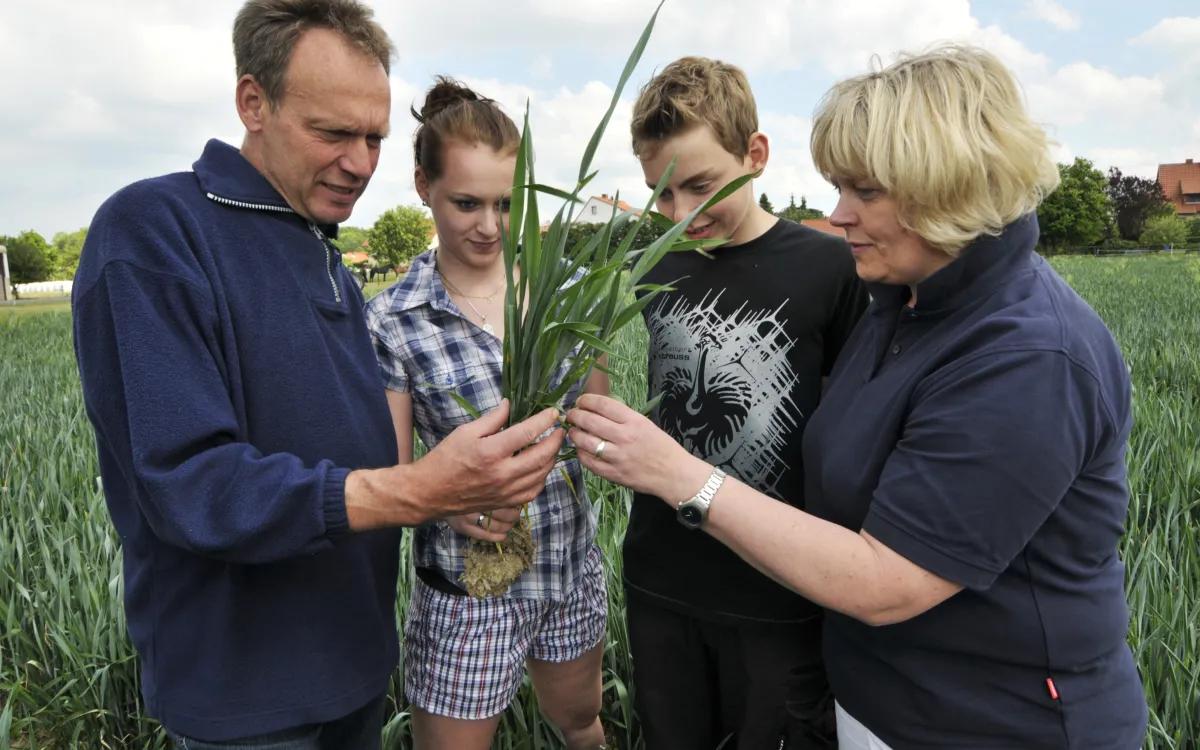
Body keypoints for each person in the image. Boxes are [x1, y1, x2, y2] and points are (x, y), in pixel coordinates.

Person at [567, 45, 1149, 748]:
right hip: (880, 701)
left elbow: (888, 581)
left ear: (952, 185)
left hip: (996, 722)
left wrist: (676, 472)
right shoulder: (903, 302)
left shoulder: (1029, 356)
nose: (836, 215)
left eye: (865, 191)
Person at [71, 2, 564, 747]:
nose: (361, 162)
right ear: (253, 102)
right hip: (249, 701)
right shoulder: (157, 230)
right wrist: (420, 488)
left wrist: (438, 496)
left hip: (354, 670)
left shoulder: (320, 250)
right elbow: (190, 483)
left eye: (373, 137)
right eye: (333, 132)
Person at [616, 56, 868, 749]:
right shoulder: (654, 265)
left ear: (754, 154)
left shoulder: (830, 266)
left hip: (779, 593)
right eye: (660, 194)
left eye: (698, 185)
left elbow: (851, 431)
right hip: (661, 579)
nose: (679, 214)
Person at [363, 78, 610, 750]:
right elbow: (393, 474)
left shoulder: (561, 292)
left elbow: (600, 415)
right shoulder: (393, 321)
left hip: (567, 567)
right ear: (423, 186)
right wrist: (452, 503)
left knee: (582, 725)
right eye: (466, 203)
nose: (489, 226)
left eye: (506, 204)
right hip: (467, 594)